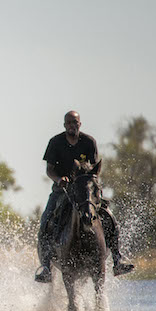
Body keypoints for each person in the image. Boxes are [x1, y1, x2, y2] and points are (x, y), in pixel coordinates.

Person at [35, 110, 133, 283]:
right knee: (45, 221)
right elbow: (49, 170)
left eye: (75, 122)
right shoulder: (55, 142)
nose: (72, 125)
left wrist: (87, 183)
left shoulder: (89, 142)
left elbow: (95, 170)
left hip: (85, 190)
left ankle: (118, 259)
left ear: (80, 124)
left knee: (110, 218)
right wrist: (59, 180)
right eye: (69, 123)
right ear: (64, 125)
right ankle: (45, 268)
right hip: (62, 190)